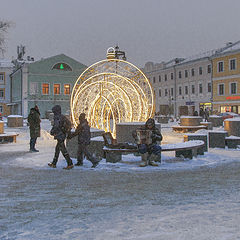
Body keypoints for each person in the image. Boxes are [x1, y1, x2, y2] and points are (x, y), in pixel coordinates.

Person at [48, 105, 74, 170]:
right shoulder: (62, 116)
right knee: (57, 149)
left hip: (60, 135)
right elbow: (69, 124)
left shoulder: (57, 117)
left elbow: (56, 126)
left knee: (63, 150)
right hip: (62, 134)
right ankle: (54, 163)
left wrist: (52, 131)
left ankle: (70, 163)